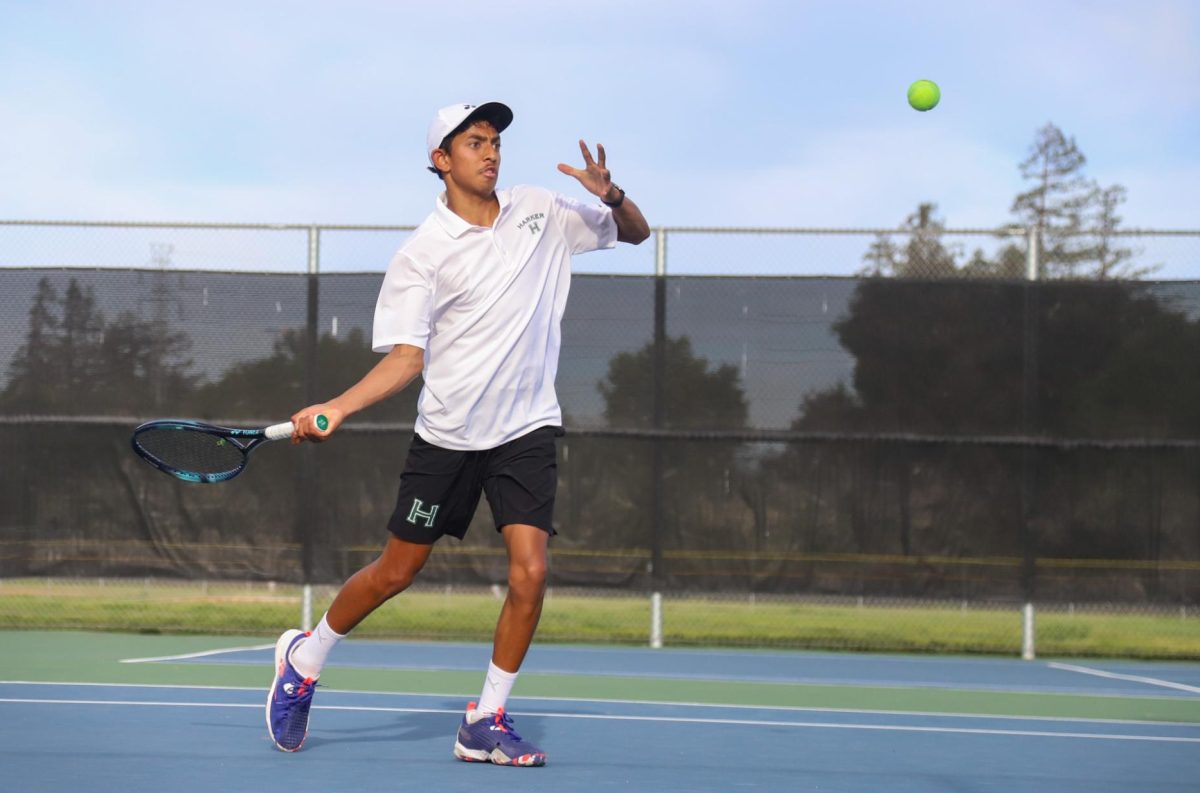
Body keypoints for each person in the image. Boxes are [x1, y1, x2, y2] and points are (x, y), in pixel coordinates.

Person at [266, 101, 650, 766]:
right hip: (448, 438)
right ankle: (305, 656)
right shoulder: (422, 254)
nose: (491, 152)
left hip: (525, 430)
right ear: (441, 160)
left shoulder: (542, 209)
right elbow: (405, 359)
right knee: (396, 571)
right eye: (474, 142)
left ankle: (486, 720)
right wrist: (337, 406)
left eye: (495, 141)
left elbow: (637, 234)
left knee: (531, 571)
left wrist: (611, 195)